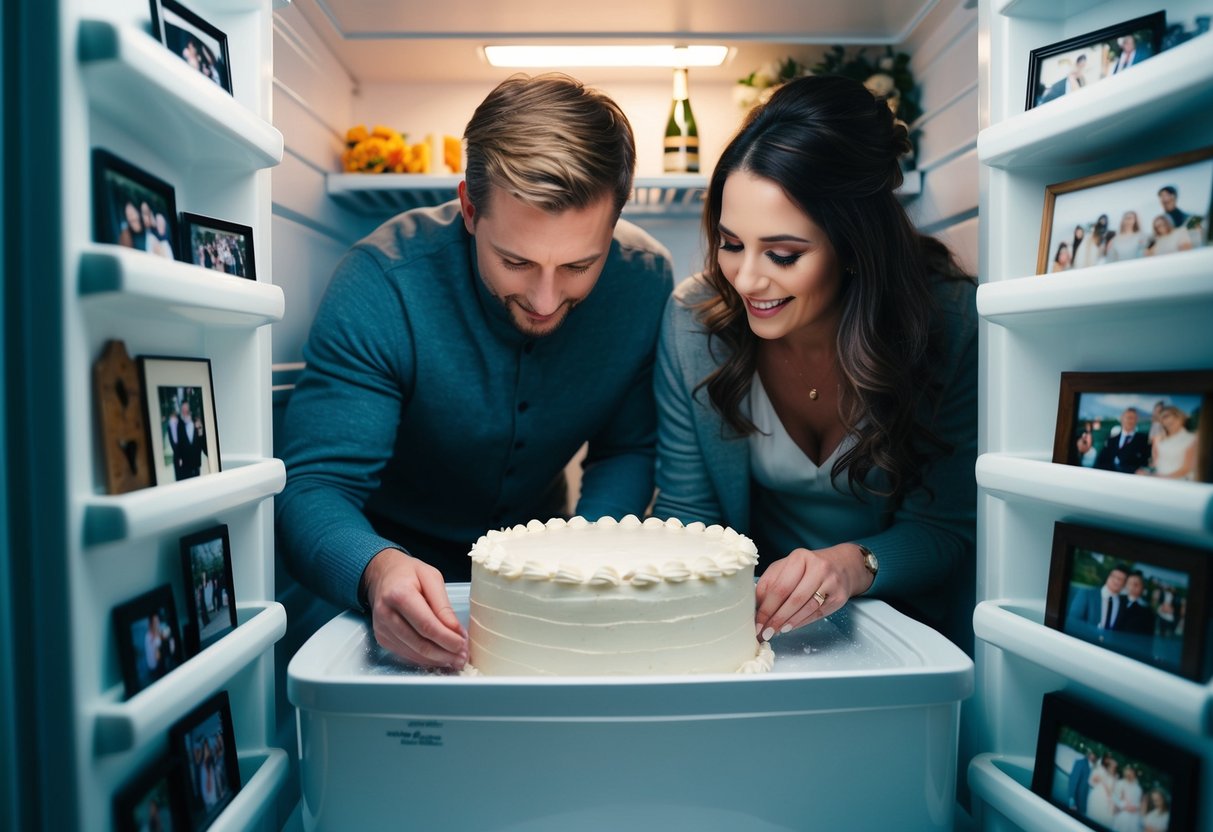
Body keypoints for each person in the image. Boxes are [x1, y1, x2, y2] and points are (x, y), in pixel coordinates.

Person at [277, 73, 675, 670]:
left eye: (578, 265)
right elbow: (313, 488)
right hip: (383, 581)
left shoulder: (644, 283)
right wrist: (374, 568)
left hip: (537, 577)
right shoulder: (382, 284)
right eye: (516, 261)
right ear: (468, 207)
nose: (545, 299)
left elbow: (627, 448)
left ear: (613, 223)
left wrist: (584, 551)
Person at [651, 74, 978, 653]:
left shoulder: (947, 322)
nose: (747, 279)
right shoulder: (695, 322)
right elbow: (689, 518)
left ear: (854, 246)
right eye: (730, 244)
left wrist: (853, 565)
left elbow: (949, 529)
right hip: (754, 629)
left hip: (908, 633)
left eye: (782, 254)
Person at [1067, 562, 1129, 633]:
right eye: (1113, 576)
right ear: (1108, 576)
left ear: (1124, 584)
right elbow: (1072, 621)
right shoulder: (1087, 594)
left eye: (1121, 579)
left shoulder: (1123, 603)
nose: (1116, 580)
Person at [1141, 404, 1198, 480]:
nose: (1168, 420)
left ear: (1180, 418)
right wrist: (1147, 472)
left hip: (1180, 481)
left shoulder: (1192, 439)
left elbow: (1186, 468)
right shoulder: (1158, 439)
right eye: (1164, 417)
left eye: (1172, 416)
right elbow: (1156, 462)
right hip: (1159, 479)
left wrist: (1158, 477)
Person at [1091, 407, 1151, 473]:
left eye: (1133, 418)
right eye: (1127, 417)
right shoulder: (1112, 440)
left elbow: (1145, 462)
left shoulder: (1143, 439)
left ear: (1137, 420)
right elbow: (1100, 461)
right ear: (1121, 419)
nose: (1129, 420)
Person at [169, 399, 205, 480]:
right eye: (183, 410)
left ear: (189, 409)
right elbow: (177, 445)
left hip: (196, 465)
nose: (185, 411)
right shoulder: (179, 425)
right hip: (185, 466)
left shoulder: (197, 423)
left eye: (186, 409)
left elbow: (201, 440)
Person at [1115, 571, 1156, 636]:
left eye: (1136, 584)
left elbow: (1148, 636)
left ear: (1143, 587)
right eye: (1130, 583)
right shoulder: (1117, 599)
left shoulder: (1148, 612)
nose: (1132, 587)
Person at [1086, 754, 1119, 827]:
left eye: (1114, 765)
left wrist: (1111, 800)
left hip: (1106, 799)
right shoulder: (1101, 770)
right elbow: (1091, 781)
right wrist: (1098, 779)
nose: (1112, 766)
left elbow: (1113, 791)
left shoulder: (1115, 777)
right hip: (1097, 795)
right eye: (1111, 764)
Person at [1113, 765, 1144, 832]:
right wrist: (1124, 806)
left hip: (1133, 815)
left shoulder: (1138, 788)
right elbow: (1115, 798)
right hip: (1122, 812)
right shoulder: (1120, 783)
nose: (1130, 775)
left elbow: (1138, 803)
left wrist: (1135, 808)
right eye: (1129, 773)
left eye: (1132, 773)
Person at [1068, 748, 1096, 815]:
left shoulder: (1092, 767)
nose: (1094, 756)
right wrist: (1072, 802)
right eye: (1093, 754)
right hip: (1076, 802)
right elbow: (1073, 782)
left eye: (1095, 755)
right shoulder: (1080, 763)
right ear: (1089, 754)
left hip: (1082, 804)